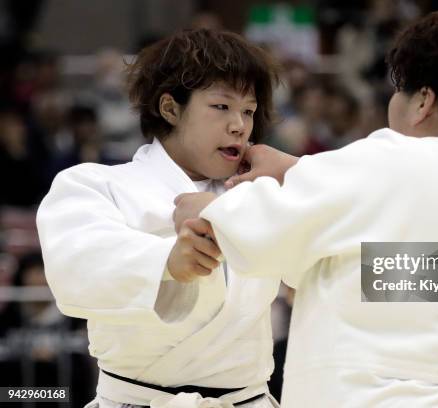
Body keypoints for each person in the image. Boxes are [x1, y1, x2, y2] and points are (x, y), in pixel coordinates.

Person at [174, 4, 438, 407]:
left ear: (423, 101)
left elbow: (255, 233)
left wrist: (207, 209)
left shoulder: (395, 158)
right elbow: (412, 277)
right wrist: (299, 172)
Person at [37, 28, 281, 408]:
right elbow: (75, 262)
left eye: (248, 111)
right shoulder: (95, 184)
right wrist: (166, 263)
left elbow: (366, 258)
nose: (240, 125)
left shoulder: (263, 195)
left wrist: (299, 174)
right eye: (222, 107)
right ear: (170, 108)